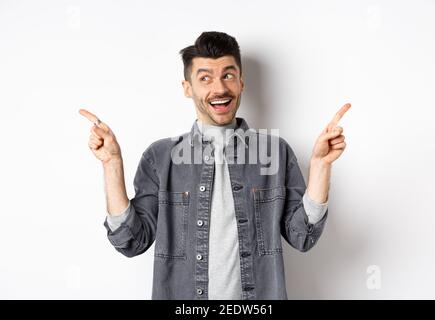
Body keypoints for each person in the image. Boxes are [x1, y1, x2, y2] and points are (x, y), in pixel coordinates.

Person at [79, 31, 350, 300]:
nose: (219, 89)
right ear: (188, 88)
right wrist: (112, 164)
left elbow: (302, 237)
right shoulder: (160, 157)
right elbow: (131, 242)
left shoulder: (274, 153)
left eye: (228, 75)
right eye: (205, 78)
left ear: (241, 83)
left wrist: (321, 166)